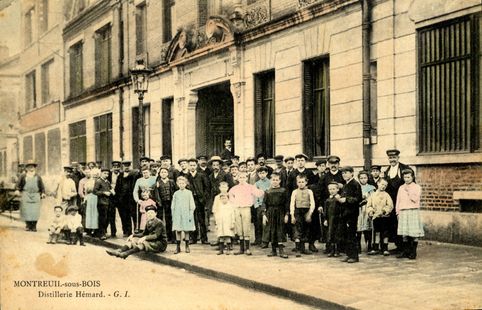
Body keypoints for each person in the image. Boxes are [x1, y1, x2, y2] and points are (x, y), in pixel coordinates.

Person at [228, 172, 264, 255]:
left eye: (244, 177)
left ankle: (247, 248)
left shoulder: (250, 187)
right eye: (240, 177)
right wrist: (235, 203)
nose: (242, 179)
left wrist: (262, 189)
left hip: (246, 208)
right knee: (239, 228)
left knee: (246, 227)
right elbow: (230, 196)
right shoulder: (234, 188)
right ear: (237, 178)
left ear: (246, 178)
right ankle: (241, 249)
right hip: (237, 209)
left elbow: (259, 193)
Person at [383, 149, 411, 253]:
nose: (392, 160)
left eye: (394, 157)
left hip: (402, 201)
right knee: (393, 224)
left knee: (402, 223)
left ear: (398, 158)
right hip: (391, 202)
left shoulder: (405, 168)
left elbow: (411, 184)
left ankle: (405, 247)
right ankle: (398, 245)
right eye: (390, 158)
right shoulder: (386, 171)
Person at [396, 169, 424, 259]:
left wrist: (409, 191)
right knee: (405, 233)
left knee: (413, 232)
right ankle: (406, 251)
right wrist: (397, 212)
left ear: (412, 177)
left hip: (412, 211)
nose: (406, 179)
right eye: (405, 177)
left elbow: (415, 199)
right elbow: (398, 200)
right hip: (403, 211)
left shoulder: (417, 187)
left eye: (408, 177)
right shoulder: (401, 187)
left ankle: (413, 252)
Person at [338, 166, 362, 263]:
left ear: (352, 173)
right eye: (343, 173)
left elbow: (358, 199)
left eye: (346, 173)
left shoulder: (355, 184)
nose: (344, 175)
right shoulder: (345, 185)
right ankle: (349, 254)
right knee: (347, 235)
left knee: (352, 235)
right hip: (345, 213)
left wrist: (346, 200)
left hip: (352, 213)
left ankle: (354, 256)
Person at [263, 173, 289, 258]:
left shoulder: (283, 190)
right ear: (270, 181)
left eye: (277, 180)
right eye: (273, 180)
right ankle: (273, 250)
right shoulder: (267, 191)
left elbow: (286, 204)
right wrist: (264, 215)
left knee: (280, 230)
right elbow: (264, 204)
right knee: (272, 230)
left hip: (280, 212)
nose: (275, 181)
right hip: (270, 212)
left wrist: (286, 214)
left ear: (280, 181)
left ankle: (281, 251)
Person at [15, 161, 46, 232]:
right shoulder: (23, 176)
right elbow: (18, 185)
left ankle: (34, 226)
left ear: (34, 168)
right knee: (27, 210)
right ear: (26, 168)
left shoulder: (38, 176)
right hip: (26, 194)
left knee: (35, 211)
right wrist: (17, 190)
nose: (31, 168)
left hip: (35, 195)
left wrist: (43, 193)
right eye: (29, 167)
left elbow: (42, 186)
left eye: (32, 167)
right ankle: (28, 225)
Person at [289, 174, 315, 257]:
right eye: (299, 182)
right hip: (297, 212)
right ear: (296, 183)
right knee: (297, 229)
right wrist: (292, 215)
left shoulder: (310, 191)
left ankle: (303, 248)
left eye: (302, 182)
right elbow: (292, 204)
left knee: (306, 229)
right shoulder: (295, 192)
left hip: (306, 211)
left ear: (306, 182)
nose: (301, 184)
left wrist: (310, 213)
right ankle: (297, 248)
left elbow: (312, 203)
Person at [366, 178, 393, 256]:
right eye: (382, 184)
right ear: (378, 183)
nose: (383, 186)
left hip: (384, 217)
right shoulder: (373, 195)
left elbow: (390, 205)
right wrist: (370, 211)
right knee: (376, 232)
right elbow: (369, 205)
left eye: (385, 185)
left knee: (385, 232)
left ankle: (385, 248)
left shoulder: (387, 195)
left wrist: (384, 211)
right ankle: (376, 248)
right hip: (376, 217)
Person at [187, 158, 210, 244]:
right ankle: (193, 238)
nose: (192, 167)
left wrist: (204, 198)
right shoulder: (186, 177)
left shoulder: (201, 175)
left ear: (196, 166)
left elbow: (207, 188)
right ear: (188, 166)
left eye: (194, 165)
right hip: (190, 200)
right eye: (191, 165)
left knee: (201, 220)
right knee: (192, 219)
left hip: (200, 200)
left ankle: (204, 239)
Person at [171, 176, 196, 254]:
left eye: (183, 183)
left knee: (186, 230)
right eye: (180, 183)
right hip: (178, 213)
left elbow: (192, 204)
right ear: (177, 184)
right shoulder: (176, 193)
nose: (181, 185)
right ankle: (178, 247)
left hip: (186, 213)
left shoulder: (189, 193)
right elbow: (173, 204)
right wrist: (173, 214)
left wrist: (190, 213)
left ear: (186, 184)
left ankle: (187, 246)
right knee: (178, 230)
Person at [114, 161, 138, 237]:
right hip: (122, 200)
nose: (126, 167)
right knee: (124, 216)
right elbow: (117, 188)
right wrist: (118, 199)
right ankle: (127, 231)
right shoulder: (120, 176)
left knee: (134, 215)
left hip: (131, 199)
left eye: (128, 165)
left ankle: (136, 231)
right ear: (122, 167)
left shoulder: (134, 175)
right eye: (125, 166)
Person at [154, 167, 177, 243]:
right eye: (162, 172)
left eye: (165, 172)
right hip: (161, 203)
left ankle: (171, 237)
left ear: (167, 174)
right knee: (160, 219)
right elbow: (156, 194)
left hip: (170, 202)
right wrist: (158, 202)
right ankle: (161, 237)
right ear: (159, 174)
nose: (163, 174)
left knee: (169, 219)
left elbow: (175, 191)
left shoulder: (171, 182)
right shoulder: (158, 182)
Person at [133, 165, 157, 231]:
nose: (145, 174)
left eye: (146, 172)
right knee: (143, 215)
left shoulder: (154, 178)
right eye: (143, 173)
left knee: (152, 214)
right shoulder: (139, 180)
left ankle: (153, 229)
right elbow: (135, 191)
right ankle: (141, 229)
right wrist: (137, 200)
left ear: (149, 172)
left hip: (152, 198)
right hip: (143, 199)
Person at [357, 171, 376, 253]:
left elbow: (373, 198)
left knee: (367, 227)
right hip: (359, 209)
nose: (363, 180)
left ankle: (369, 245)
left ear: (368, 178)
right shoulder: (357, 187)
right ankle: (358, 246)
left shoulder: (371, 188)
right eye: (361, 178)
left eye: (365, 178)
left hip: (367, 208)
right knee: (358, 227)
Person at [94, 168, 114, 240]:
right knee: (102, 218)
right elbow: (95, 191)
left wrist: (112, 191)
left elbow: (111, 188)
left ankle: (103, 232)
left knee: (107, 218)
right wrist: (103, 193)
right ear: (101, 173)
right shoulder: (98, 181)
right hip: (101, 202)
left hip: (108, 202)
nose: (106, 175)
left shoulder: (107, 182)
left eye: (107, 174)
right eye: (105, 173)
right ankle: (101, 234)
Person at [323, 182, 342, 257]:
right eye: (330, 189)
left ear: (337, 189)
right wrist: (325, 219)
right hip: (330, 220)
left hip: (338, 220)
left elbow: (342, 209)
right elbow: (326, 211)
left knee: (338, 234)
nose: (332, 191)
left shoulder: (339, 199)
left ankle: (337, 251)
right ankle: (332, 250)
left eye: (333, 189)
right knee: (331, 234)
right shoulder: (328, 200)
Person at [254, 166, 271, 247]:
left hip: (268, 205)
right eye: (260, 173)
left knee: (266, 223)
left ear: (266, 173)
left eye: (263, 173)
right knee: (258, 223)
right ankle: (258, 240)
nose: (262, 175)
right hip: (260, 205)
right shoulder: (257, 184)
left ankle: (265, 241)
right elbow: (255, 196)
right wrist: (257, 205)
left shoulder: (270, 182)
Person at [82, 169, 99, 236]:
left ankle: (94, 230)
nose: (95, 176)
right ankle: (89, 229)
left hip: (96, 198)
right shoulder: (88, 182)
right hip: (89, 198)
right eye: (94, 175)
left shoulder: (99, 182)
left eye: (96, 175)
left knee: (95, 214)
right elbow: (86, 191)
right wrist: (84, 199)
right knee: (89, 214)